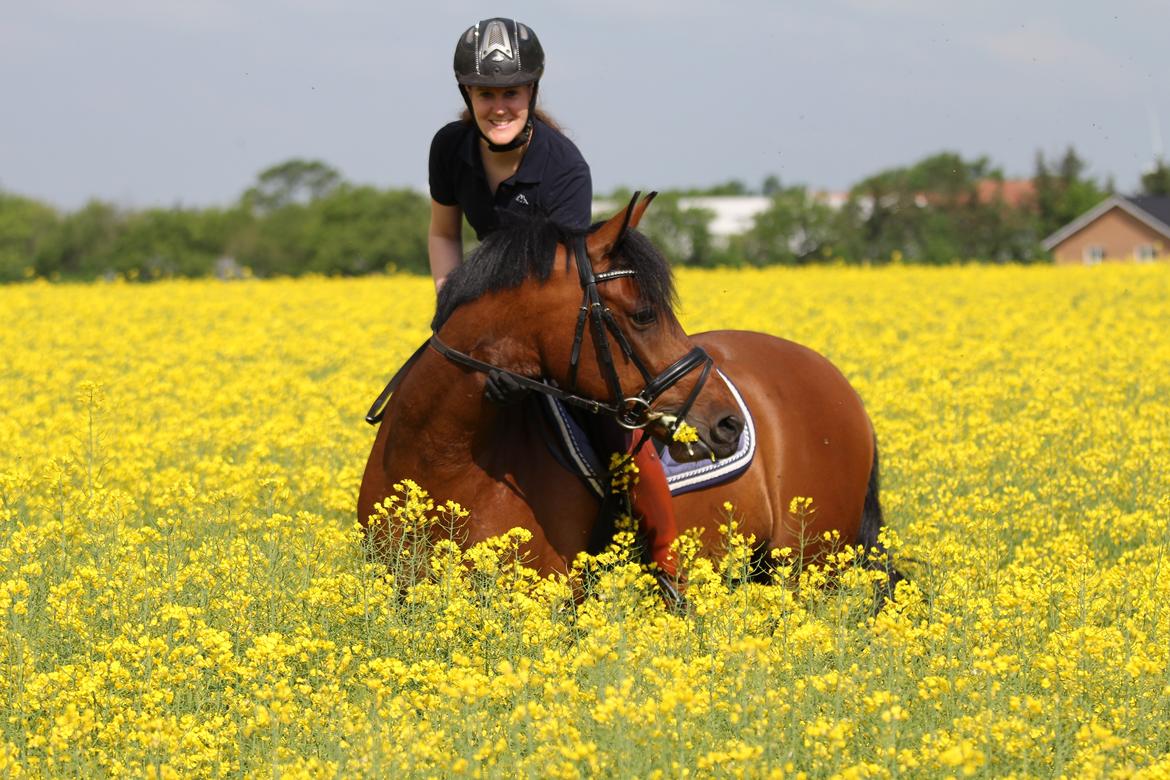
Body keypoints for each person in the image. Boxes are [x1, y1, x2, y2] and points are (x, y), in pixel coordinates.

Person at [427, 17, 681, 578]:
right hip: (478, 319)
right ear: (467, 95)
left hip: (548, 319)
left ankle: (666, 561)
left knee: (617, 428)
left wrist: (523, 364)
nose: (499, 106)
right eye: (486, 93)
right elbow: (444, 234)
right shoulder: (449, 147)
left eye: (510, 93)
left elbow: (560, 283)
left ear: (531, 93)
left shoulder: (564, 166)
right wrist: (449, 316)